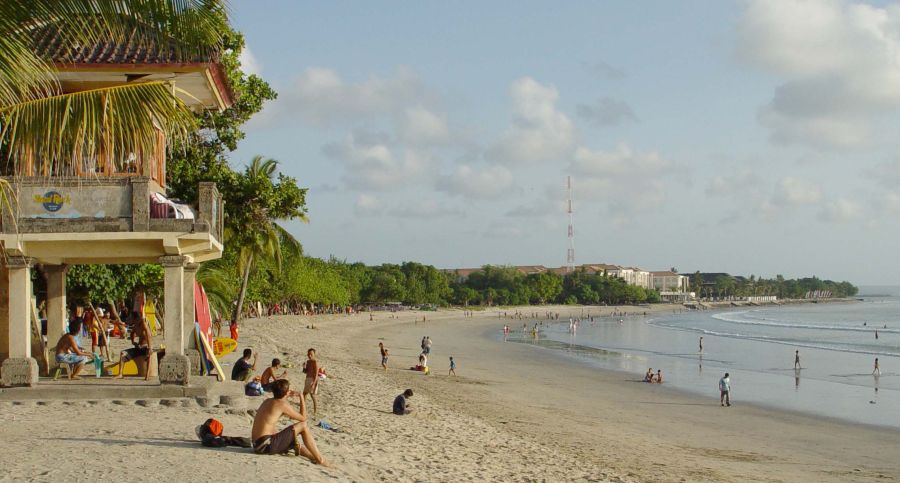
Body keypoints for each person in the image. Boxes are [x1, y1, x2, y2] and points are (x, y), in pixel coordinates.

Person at [251, 379, 328, 465]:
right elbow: (303, 418)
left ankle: (313, 457)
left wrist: (285, 395)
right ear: (287, 392)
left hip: (257, 445)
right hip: (265, 446)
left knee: (293, 441)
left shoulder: (267, 401)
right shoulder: (282, 404)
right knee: (303, 426)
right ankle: (321, 460)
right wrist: (301, 397)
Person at [115, 315, 153, 380]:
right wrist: (133, 342)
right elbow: (132, 333)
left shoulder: (144, 324)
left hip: (147, 346)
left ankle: (147, 375)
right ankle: (120, 374)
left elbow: (149, 336)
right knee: (123, 353)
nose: (133, 320)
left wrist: (150, 348)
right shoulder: (135, 326)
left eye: (134, 319)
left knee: (149, 354)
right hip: (139, 348)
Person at [302, 348, 319, 415]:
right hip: (308, 379)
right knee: (305, 393)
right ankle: (303, 406)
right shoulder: (308, 362)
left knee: (312, 395)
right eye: (308, 354)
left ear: (314, 354)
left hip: (312, 379)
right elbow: (305, 372)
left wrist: (314, 383)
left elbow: (316, 374)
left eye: (311, 354)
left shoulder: (315, 362)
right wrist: (304, 367)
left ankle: (315, 411)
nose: (309, 355)